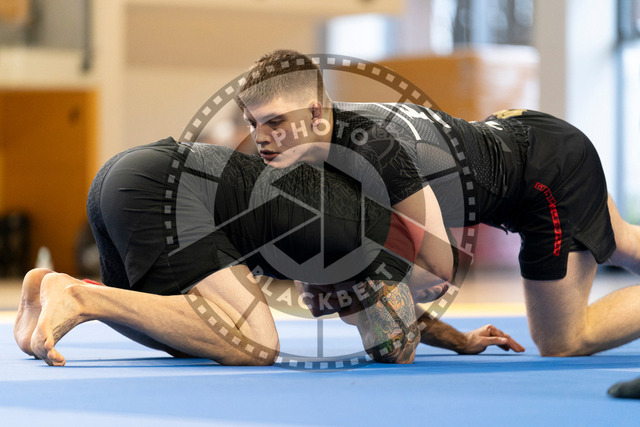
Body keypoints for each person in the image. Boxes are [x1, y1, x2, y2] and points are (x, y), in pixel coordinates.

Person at [236, 49, 640, 358]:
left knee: (562, 342)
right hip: (521, 137)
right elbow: (375, 292)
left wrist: (354, 286)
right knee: (619, 243)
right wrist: (458, 340)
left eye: (275, 121)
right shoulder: (307, 155)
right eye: (252, 123)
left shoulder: (374, 151)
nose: (262, 138)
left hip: (546, 173)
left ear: (314, 112)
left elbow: (437, 271)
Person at [14, 138, 522, 367]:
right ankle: (81, 298)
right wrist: (421, 310)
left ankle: (58, 290)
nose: (330, 308)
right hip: (162, 185)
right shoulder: (368, 235)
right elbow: (397, 335)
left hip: (125, 175)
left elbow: (379, 306)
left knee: (190, 336)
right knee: (254, 344)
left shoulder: (342, 227)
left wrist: (461, 340)